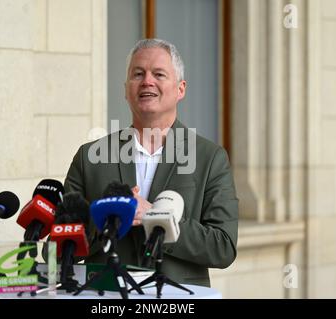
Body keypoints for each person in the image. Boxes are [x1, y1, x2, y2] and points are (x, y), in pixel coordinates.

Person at [64, 38, 238, 287]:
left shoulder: (210, 158)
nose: (147, 81)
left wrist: (155, 217)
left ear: (181, 89)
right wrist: (107, 220)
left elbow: (223, 247)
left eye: (158, 74)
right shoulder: (89, 157)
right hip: (107, 297)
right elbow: (64, 244)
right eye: (138, 74)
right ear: (126, 89)